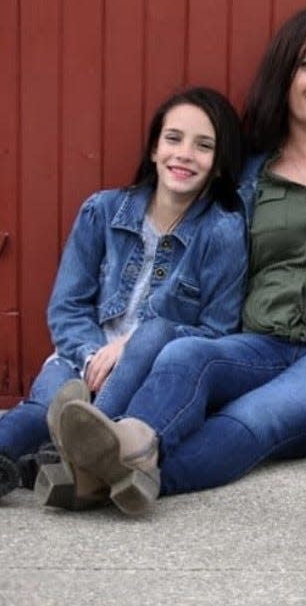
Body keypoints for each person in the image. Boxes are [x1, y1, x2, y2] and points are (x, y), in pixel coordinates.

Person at [47, 3, 306, 515]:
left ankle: (101, 475)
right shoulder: (244, 171)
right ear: (285, 73)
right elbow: (194, 256)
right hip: (255, 341)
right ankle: (123, 452)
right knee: (183, 355)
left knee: (255, 419)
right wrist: (137, 335)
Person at [0, 87, 246, 504]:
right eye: (173, 139)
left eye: (203, 146)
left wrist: (128, 347)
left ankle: (76, 451)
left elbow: (217, 329)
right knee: (42, 409)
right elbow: (67, 307)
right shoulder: (103, 211)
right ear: (154, 149)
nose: (184, 154)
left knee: (155, 330)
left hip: (150, 376)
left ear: (220, 166)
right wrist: (94, 355)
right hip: (80, 357)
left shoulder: (222, 232)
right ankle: (30, 458)